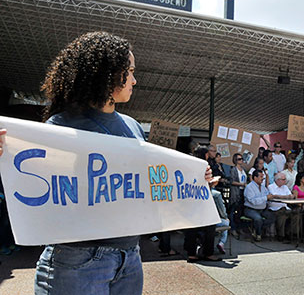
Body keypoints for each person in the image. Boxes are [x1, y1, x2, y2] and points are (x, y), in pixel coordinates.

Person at [3, 32, 211, 294]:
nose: (135, 80)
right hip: (76, 260)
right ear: (106, 74)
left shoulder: (134, 128)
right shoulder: (61, 126)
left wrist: (196, 178)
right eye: (130, 72)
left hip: (129, 257)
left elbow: (151, 182)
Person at [183, 146, 221, 263]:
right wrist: (213, 183)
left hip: (189, 200)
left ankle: (191, 254)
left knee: (191, 228)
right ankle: (208, 253)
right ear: (205, 155)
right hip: (202, 201)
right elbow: (205, 183)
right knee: (210, 225)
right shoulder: (205, 166)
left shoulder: (188, 164)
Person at [243, 169, 276, 242]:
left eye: (263, 176)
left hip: (262, 209)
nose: (263, 178)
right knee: (258, 219)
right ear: (255, 177)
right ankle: (258, 234)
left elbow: (267, 195)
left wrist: (269, 197)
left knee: (272, 217)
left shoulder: (263, 187)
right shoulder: (249, 187)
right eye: (261, 176)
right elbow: (253, 201)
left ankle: (256, 229)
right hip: (250, 209)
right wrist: (266, 198)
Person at [268, 172, 297, 242]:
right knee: (282, 215)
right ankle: (281, 235)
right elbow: (274, 196)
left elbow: (291, 196)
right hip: (275, 208)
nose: (285, 181)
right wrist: (286, 197)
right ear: (278, 180)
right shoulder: (271, 187)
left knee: (296, 214)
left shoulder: (285, 187)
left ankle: (291, 233)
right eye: (283, 179)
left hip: (285, 207)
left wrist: (287, 196)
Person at [229, 153, 247, 238]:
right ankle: (233, 228)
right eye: (239, 159)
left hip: (243, 192)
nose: (241, 160)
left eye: (242, 159)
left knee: (240, 211)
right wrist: (241, 184)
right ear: (235, 160)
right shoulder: (233, 169)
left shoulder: (243, 169)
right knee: (233, 211)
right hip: (236, 192)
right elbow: (232, 181)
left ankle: (240, 228)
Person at [211, 178, 230, 254]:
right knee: (226, 222)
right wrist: (225, 217)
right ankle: (222, 242)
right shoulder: (216, 194)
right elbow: (222, 209)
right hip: (213, 220)